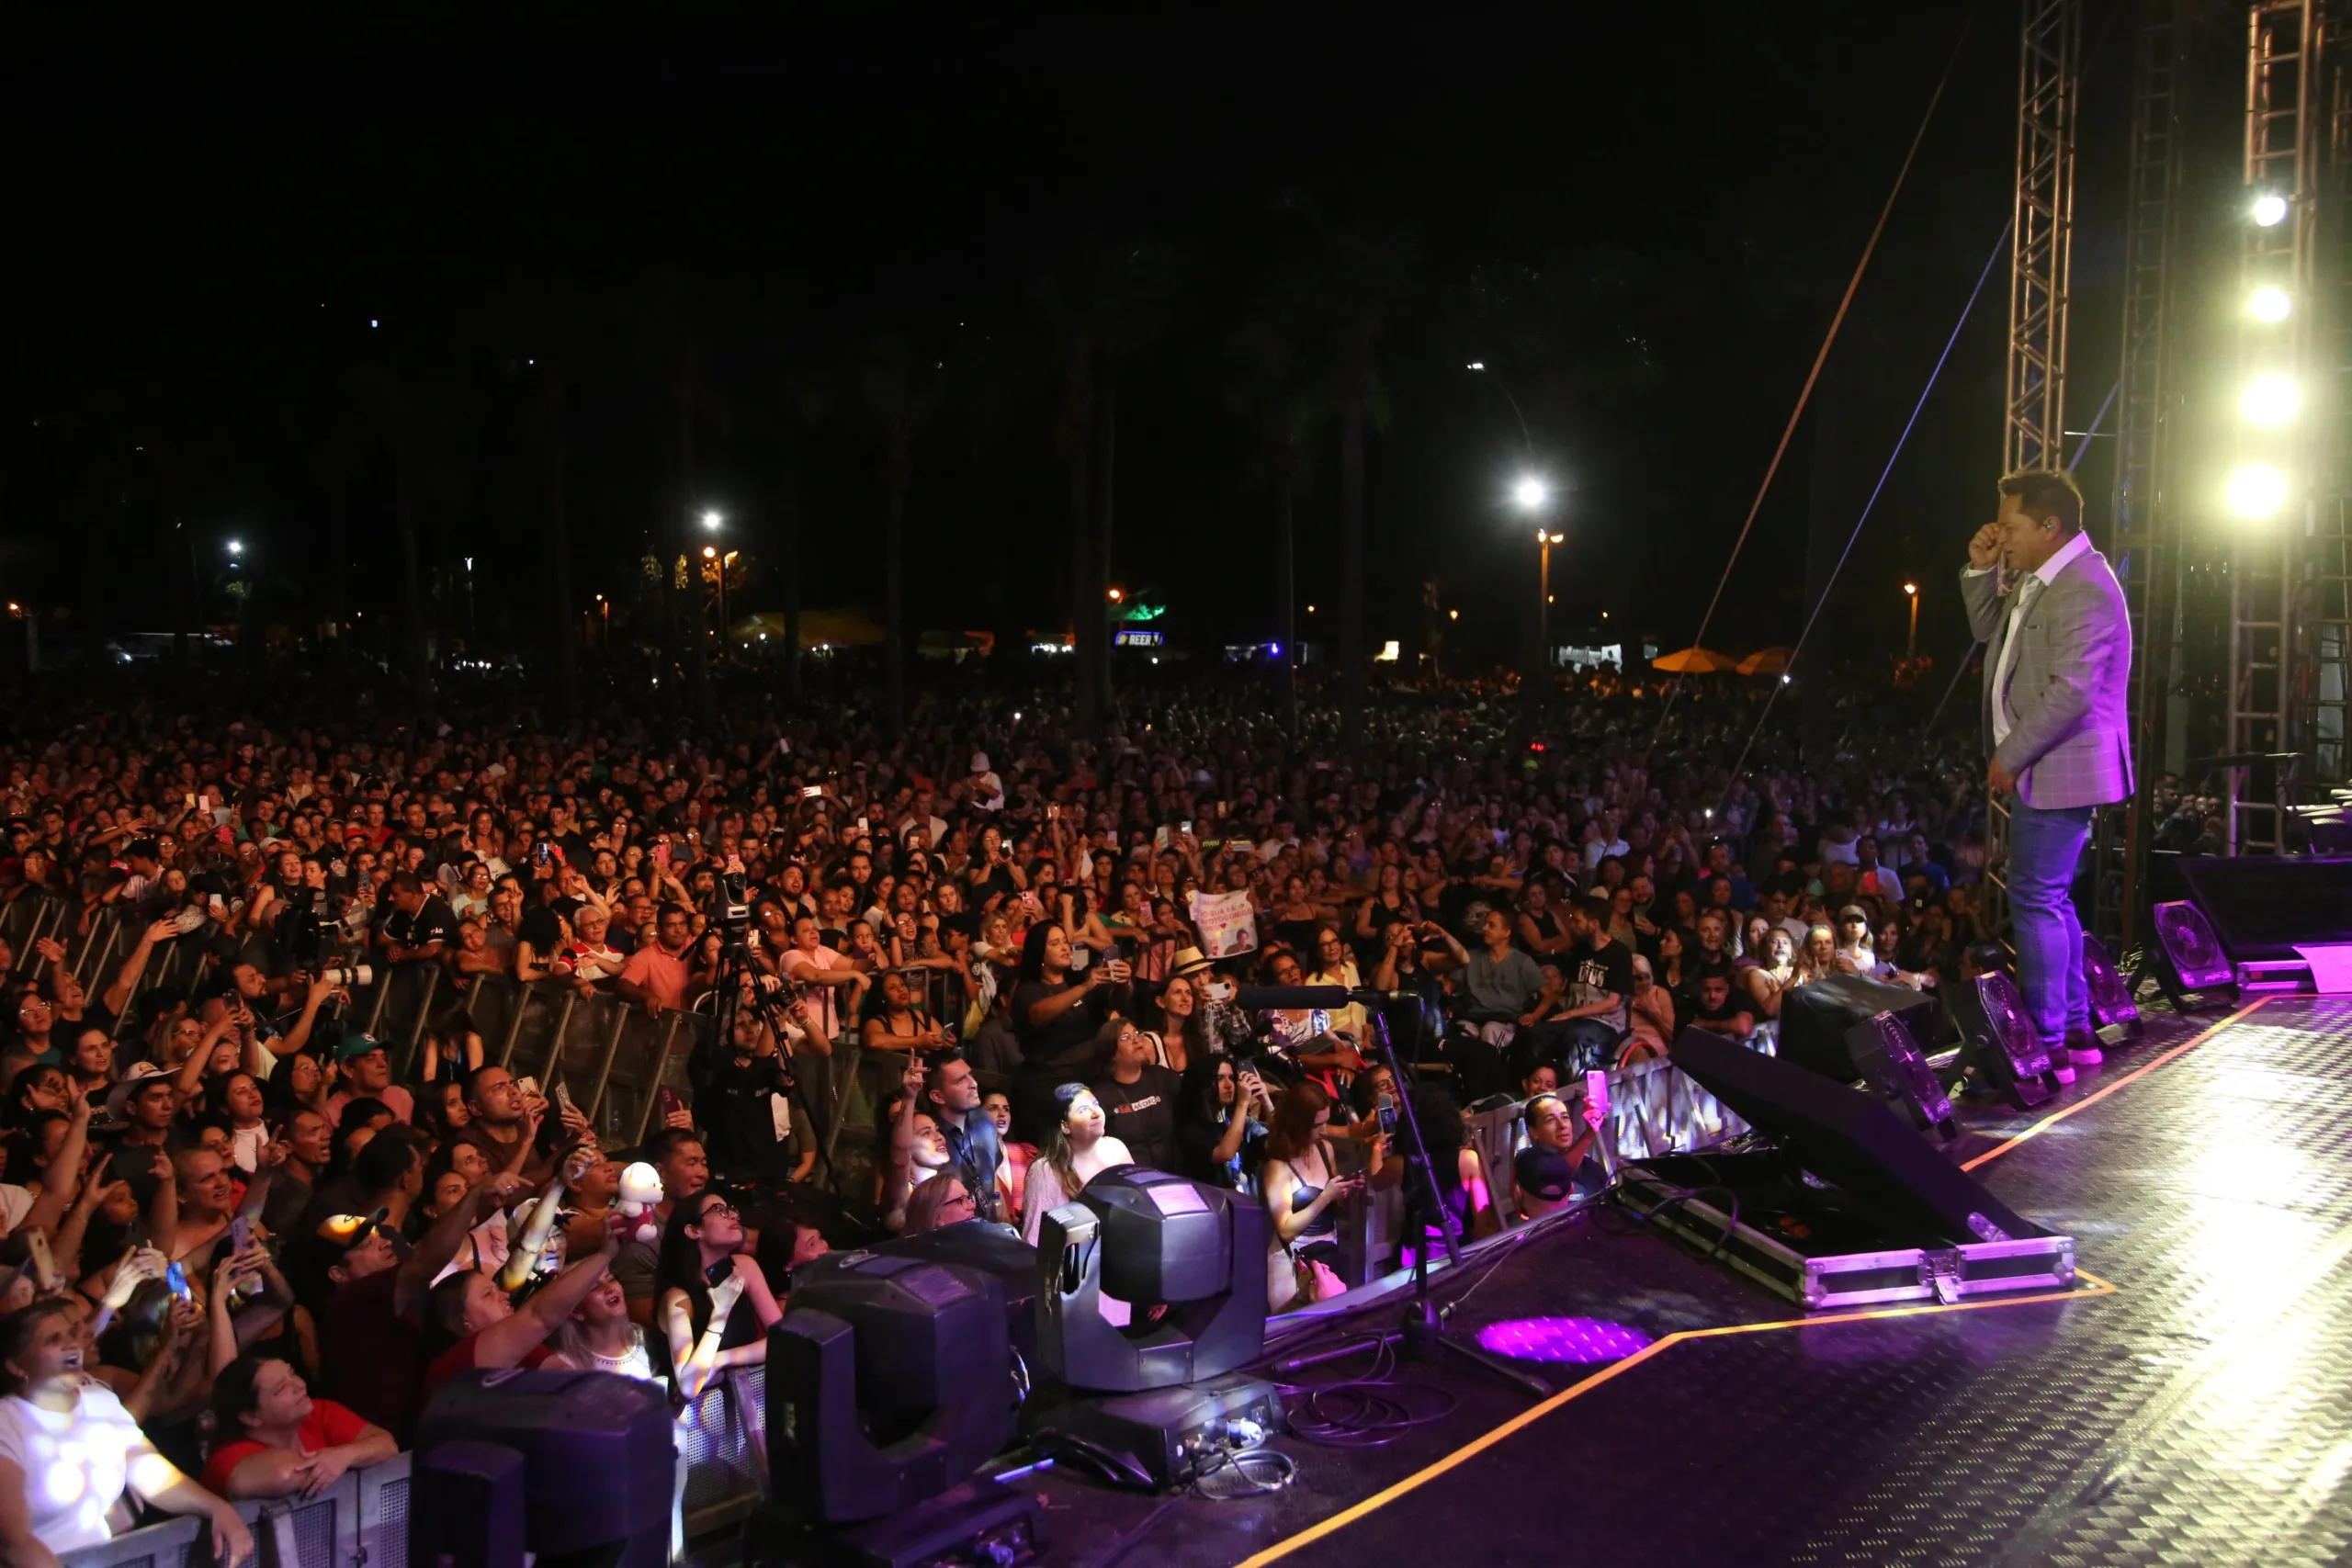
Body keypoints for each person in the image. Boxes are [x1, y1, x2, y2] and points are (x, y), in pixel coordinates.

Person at [1962, 468, 2132, 1077]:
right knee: (2050, 898)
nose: (2001, 535)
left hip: (2056, 764)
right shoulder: (2047, 576)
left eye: (2010, 526)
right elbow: (1989, 632)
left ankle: (2050, 1043)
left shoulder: (2080, 586)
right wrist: (1982, 570)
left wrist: (2010, 755)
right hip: (2050, 765)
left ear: (2049, 525)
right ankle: (2077, 1029)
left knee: (2035, 897)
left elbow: (2072, 692)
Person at [0, 1299, 254, 1565]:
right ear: (17, 1367)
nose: (72, 1343)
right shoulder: (7, 1421)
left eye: (72, 1334)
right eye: (53, 1339)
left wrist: (217, 1507)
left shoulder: (100, 1400)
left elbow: (153, 1475)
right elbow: (13, 1542)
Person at [201, 1353, 396, 1502]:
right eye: (281, 1389)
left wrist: (343, 1456)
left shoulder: (318, 1412)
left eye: (292, 1374)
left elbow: (387, 1445)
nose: (300, 1386)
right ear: (251, 1416)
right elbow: (284, 1474)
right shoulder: (228, 1457)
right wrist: (336, 1462)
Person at [1009, 925, 1130, 1145]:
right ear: (1039, 953)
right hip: (1050, 1085)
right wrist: (1086, 986)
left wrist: (1122, 982)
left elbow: (1116, 1002)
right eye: (1055, 943)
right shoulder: (1029, 989)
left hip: (1090, 1079)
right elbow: (1040, 1013)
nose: (1065, 947)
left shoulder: (1078, 979)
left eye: (1065, 941)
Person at [654, 1190, 782, 1400]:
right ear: (693, 1230)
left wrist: (723, 1358)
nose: (733, 1215)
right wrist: (720, 1312)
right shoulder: (677, 1298)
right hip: (696, 1421)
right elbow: (688, 1386)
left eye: (731, 1209)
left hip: (744, 1397)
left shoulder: (744, 1267)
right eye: (718, 1211)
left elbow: (782, 1339)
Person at [1260, 1082, 1363, 1306]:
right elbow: (1286, 1230)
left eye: (1326, 1122)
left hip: (1327, 1252)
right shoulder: (1278, 1167)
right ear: (1299, 1125)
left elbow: (1335, 1204)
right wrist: (1326, 1196)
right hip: (1291, 1263)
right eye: (1318, 1125)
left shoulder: (1325, 1149)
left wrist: (1347, 1192)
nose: (1324, 1130)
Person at [1019, 1084, 1134, 1247]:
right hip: (1077, 1265)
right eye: (1083, 1109)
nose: (1096, 1113)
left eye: (1095, 1104)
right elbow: (1034, 1238)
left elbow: (1138, 1210)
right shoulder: (1046, 1170)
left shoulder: (1117, 1148)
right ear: (1065, 1126)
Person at [1088, 1018, 1182, 1173]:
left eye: (1137, 1034)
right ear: (1111, 1054)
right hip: (1132, 1182)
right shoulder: (1100, 1097)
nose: (1136, 1040)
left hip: (1174, 1175)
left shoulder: (1162, 1078)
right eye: (1125, 1038)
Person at [922, 1055, 1007, 1222]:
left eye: (971, 1075)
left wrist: (1004, 1223)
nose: (974, 1084)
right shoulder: (930, 1136)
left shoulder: (983, 1120)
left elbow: (993, 1176)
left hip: (988, 1230)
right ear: (938, 1097)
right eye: (961, 1081)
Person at [1511, 1092, 1602, 1220]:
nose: (1562, 1125)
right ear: (1533, 1131)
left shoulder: (1590, 1166)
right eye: (1551, 1120)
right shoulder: (1526, 1163)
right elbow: (1559, 1170)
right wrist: (1589, 1133)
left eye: (1565, 1117)